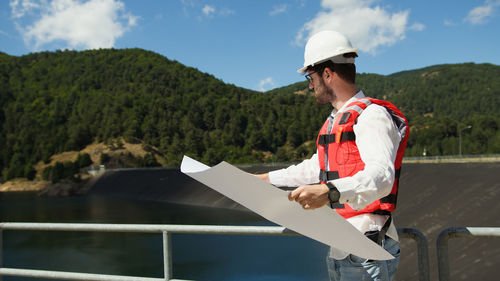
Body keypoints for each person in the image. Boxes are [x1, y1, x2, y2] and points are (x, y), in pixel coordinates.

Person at [255, 30, 409, 281]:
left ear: (327, 74)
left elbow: (382, 176)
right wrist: (263, 179)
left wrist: (328, 191)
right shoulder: (335, 121)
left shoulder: (371, 116)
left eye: (310, 76)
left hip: (366, 250)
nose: (309, 84)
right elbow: (315, 167)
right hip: (342, 250)